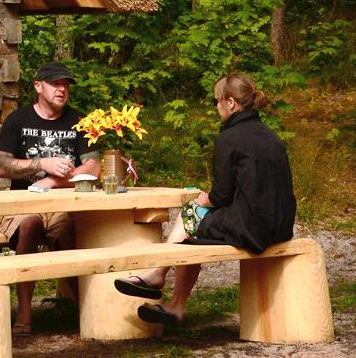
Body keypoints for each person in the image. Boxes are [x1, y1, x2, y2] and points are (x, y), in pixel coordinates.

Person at [113, 72, 295, 328]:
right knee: (192, 224)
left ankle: (160, 280)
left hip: (252, 229)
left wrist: (204, 199)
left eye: (216, 101)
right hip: (280, 225)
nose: (216, 107)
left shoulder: (229, 137)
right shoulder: (270, 136)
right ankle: (165, 288)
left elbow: (221, 196)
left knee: (190, 215)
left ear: (231, 102)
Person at [0, 61, 102, 334]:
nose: (62, 89)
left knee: (76, 228)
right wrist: (43, 164)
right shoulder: (18, 120)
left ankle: (88, 309)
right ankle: (25, 314)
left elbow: (94, 168)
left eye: (65, 84)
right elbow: (0, 166)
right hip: (22, 203)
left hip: (64, 203)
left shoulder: (80, 121)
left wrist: (54, 180)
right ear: (38, 87)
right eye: (55, 83)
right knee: (30, 225)